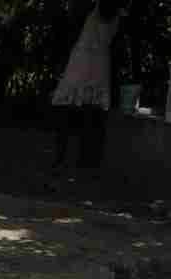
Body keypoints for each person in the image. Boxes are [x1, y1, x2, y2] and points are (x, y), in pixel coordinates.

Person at [51, 0, 126, 170]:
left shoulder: (93, 10)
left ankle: (67, 159)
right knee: (86, 115)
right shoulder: (112, 14)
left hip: (84, 64)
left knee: (71, 113)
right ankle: (78, 160)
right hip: (94, 66)